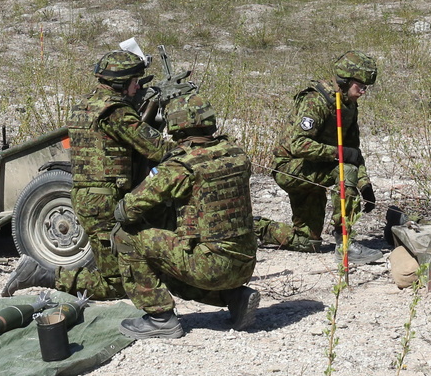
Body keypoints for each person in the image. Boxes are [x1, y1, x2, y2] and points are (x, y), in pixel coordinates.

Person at [2, 50, 170, 299]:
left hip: (90, 197)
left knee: (133, 265)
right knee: (117, 284)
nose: (137, 86)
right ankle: (41, 275)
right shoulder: (116, 112)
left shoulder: (85, 106)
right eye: (134, 81)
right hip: (104, 202)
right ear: (120, 84)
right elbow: (157, 148)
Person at [112, 96, 259, 339]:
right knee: (174, 267)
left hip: (211, 265)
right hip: (244, 262)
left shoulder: (181, 166)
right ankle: (234, 297)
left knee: (125, 236)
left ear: (177, 127)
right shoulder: (237, 154)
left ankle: (160, 319)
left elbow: (127, 210)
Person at [254, 52, 378, 253]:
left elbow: (353, 150)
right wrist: (338, 154)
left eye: (366, 88)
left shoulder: (349, 105)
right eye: (360, 86)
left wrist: (364, 185)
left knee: (307, 243)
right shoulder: (316, 101)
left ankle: (256, 228)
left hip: (316, 169)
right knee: (345, 169)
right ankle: (345, 242)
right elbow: (299, 144)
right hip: (291, 169)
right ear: (345, 81)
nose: (363, 92)